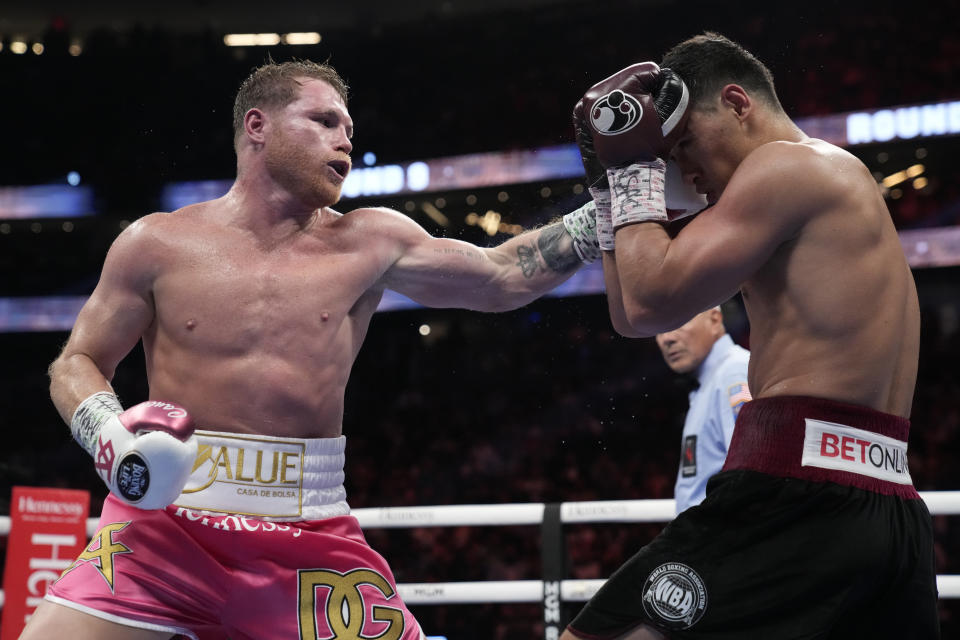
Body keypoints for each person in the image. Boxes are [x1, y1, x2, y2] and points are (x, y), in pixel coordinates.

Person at [24, 59, 602, 640]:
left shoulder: (370, 240)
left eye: (349, 130)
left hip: (308, 534)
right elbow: (76, 361)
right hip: (163, 533)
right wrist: (110, 437)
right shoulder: (156, 242)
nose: (344, 141)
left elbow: (502, 276)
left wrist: (608, 209)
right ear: (258, 125)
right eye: (325, 121)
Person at [563, 32, 938, 639]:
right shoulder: (822, 186)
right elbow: (634, 315)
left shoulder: (787, 166)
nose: (682, 168)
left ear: (738, 102)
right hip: (888, 501)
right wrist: (610, 188)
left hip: (796, 488)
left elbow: (653, 296)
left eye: (684, 143)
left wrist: (631, 168)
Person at [654, 307, 750, 515]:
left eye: (677, 323)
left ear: (714, 319)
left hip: (721, 540)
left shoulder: (733, 374)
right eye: (660, 330)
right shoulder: (710, 382)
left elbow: (750, 474)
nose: (666, 339)